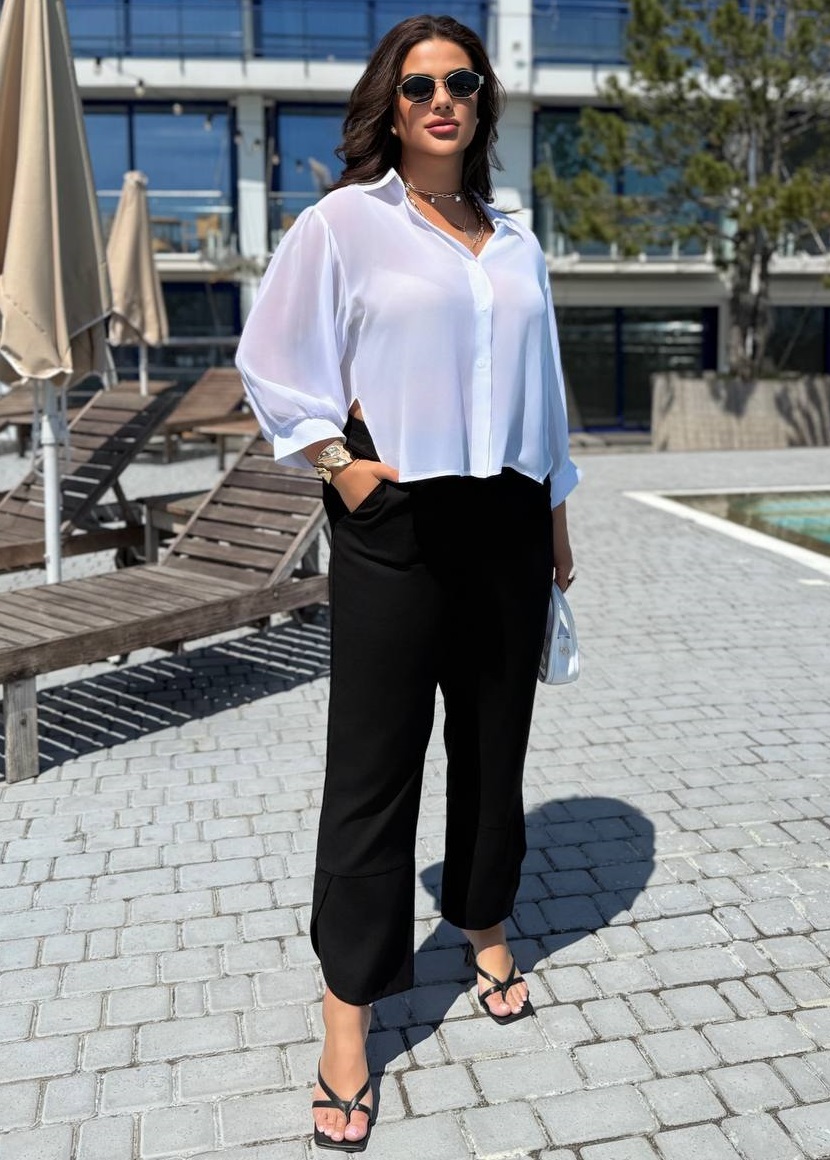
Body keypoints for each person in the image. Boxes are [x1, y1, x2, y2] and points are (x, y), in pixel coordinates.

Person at [236, 14, 579, 1152]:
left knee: (492, 745)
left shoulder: (516, 241)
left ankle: (483, 920)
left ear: (481, 103)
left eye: (461, 83)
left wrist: (556, 512)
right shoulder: (345, 223)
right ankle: (349, 1008)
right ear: (390, 103)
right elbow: (272, 360)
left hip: (510, 518)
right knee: (374, 766)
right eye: (420, 84)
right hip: (397, 517)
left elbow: (545, 389)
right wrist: (339, 465)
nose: (442, 100)